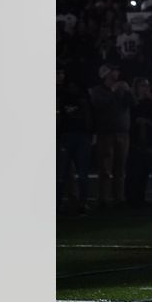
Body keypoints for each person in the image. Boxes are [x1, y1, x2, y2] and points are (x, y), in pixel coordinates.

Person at [90, 64, 133, 209]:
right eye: (114, 70)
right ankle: (103, 198)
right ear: (106, 74)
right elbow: (100, 105)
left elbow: (133, 103)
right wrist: (114, 91)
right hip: (106, 133)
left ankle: (119, 198)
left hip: (123, 133)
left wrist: (128, 92)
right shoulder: (97, 91)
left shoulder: (122, 89)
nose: (117, 73)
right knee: (105, 168)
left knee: (120, 168)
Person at [57, 67, 93, 216]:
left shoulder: (82, 96)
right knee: (62, 174)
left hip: (77, 136)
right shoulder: (62, 95)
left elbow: (89, 116)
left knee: (77, 173)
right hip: (67, 136)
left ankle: (80, 204)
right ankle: (61, 205)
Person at [125, 78, 152, 206]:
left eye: (147, 85)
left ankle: (140, 197)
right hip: (134, 140)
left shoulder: (150, 103)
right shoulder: (132, 103)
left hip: (148, 140)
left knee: (144, 171)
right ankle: (130, 197)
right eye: (142, 85)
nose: (145, 88)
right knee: (133, 170)